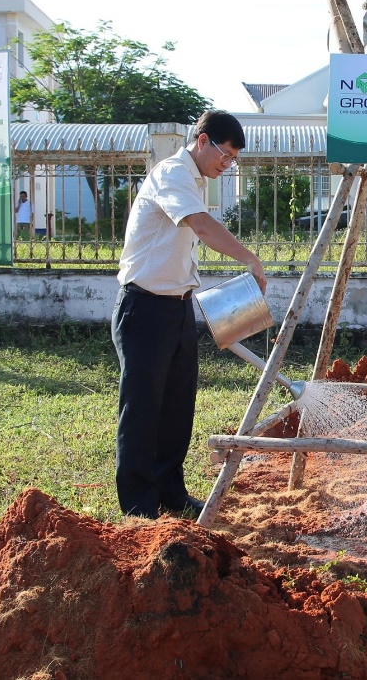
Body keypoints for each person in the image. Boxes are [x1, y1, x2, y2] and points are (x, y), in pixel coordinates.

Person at [113, 110, 267, 520]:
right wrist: (249, 258)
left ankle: (170, 490)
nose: (227, 164)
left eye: (234, 159)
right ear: (203, 141)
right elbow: (199, 225)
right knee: (143, 406)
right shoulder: (172, 173)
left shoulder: (196, 180)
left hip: (178, 306)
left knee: (177, 406)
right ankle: (138, 504)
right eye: (225, 154)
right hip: (144, 306)